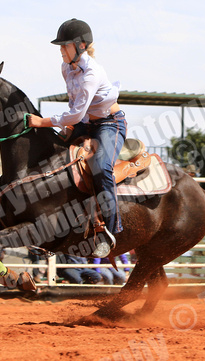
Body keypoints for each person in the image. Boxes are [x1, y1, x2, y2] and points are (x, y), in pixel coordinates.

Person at [28, 19, 126, 258]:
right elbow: (75, 107)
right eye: (60, 46)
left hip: (109, 124)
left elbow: (76, 112)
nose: (61, 50)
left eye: (65, 45)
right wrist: (71, 129)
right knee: (54, 159)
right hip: (85, 123)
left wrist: (42, 122)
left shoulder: (92, 72)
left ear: (81, 45)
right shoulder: (66, 68)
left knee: (101, 168)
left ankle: (112, 230)